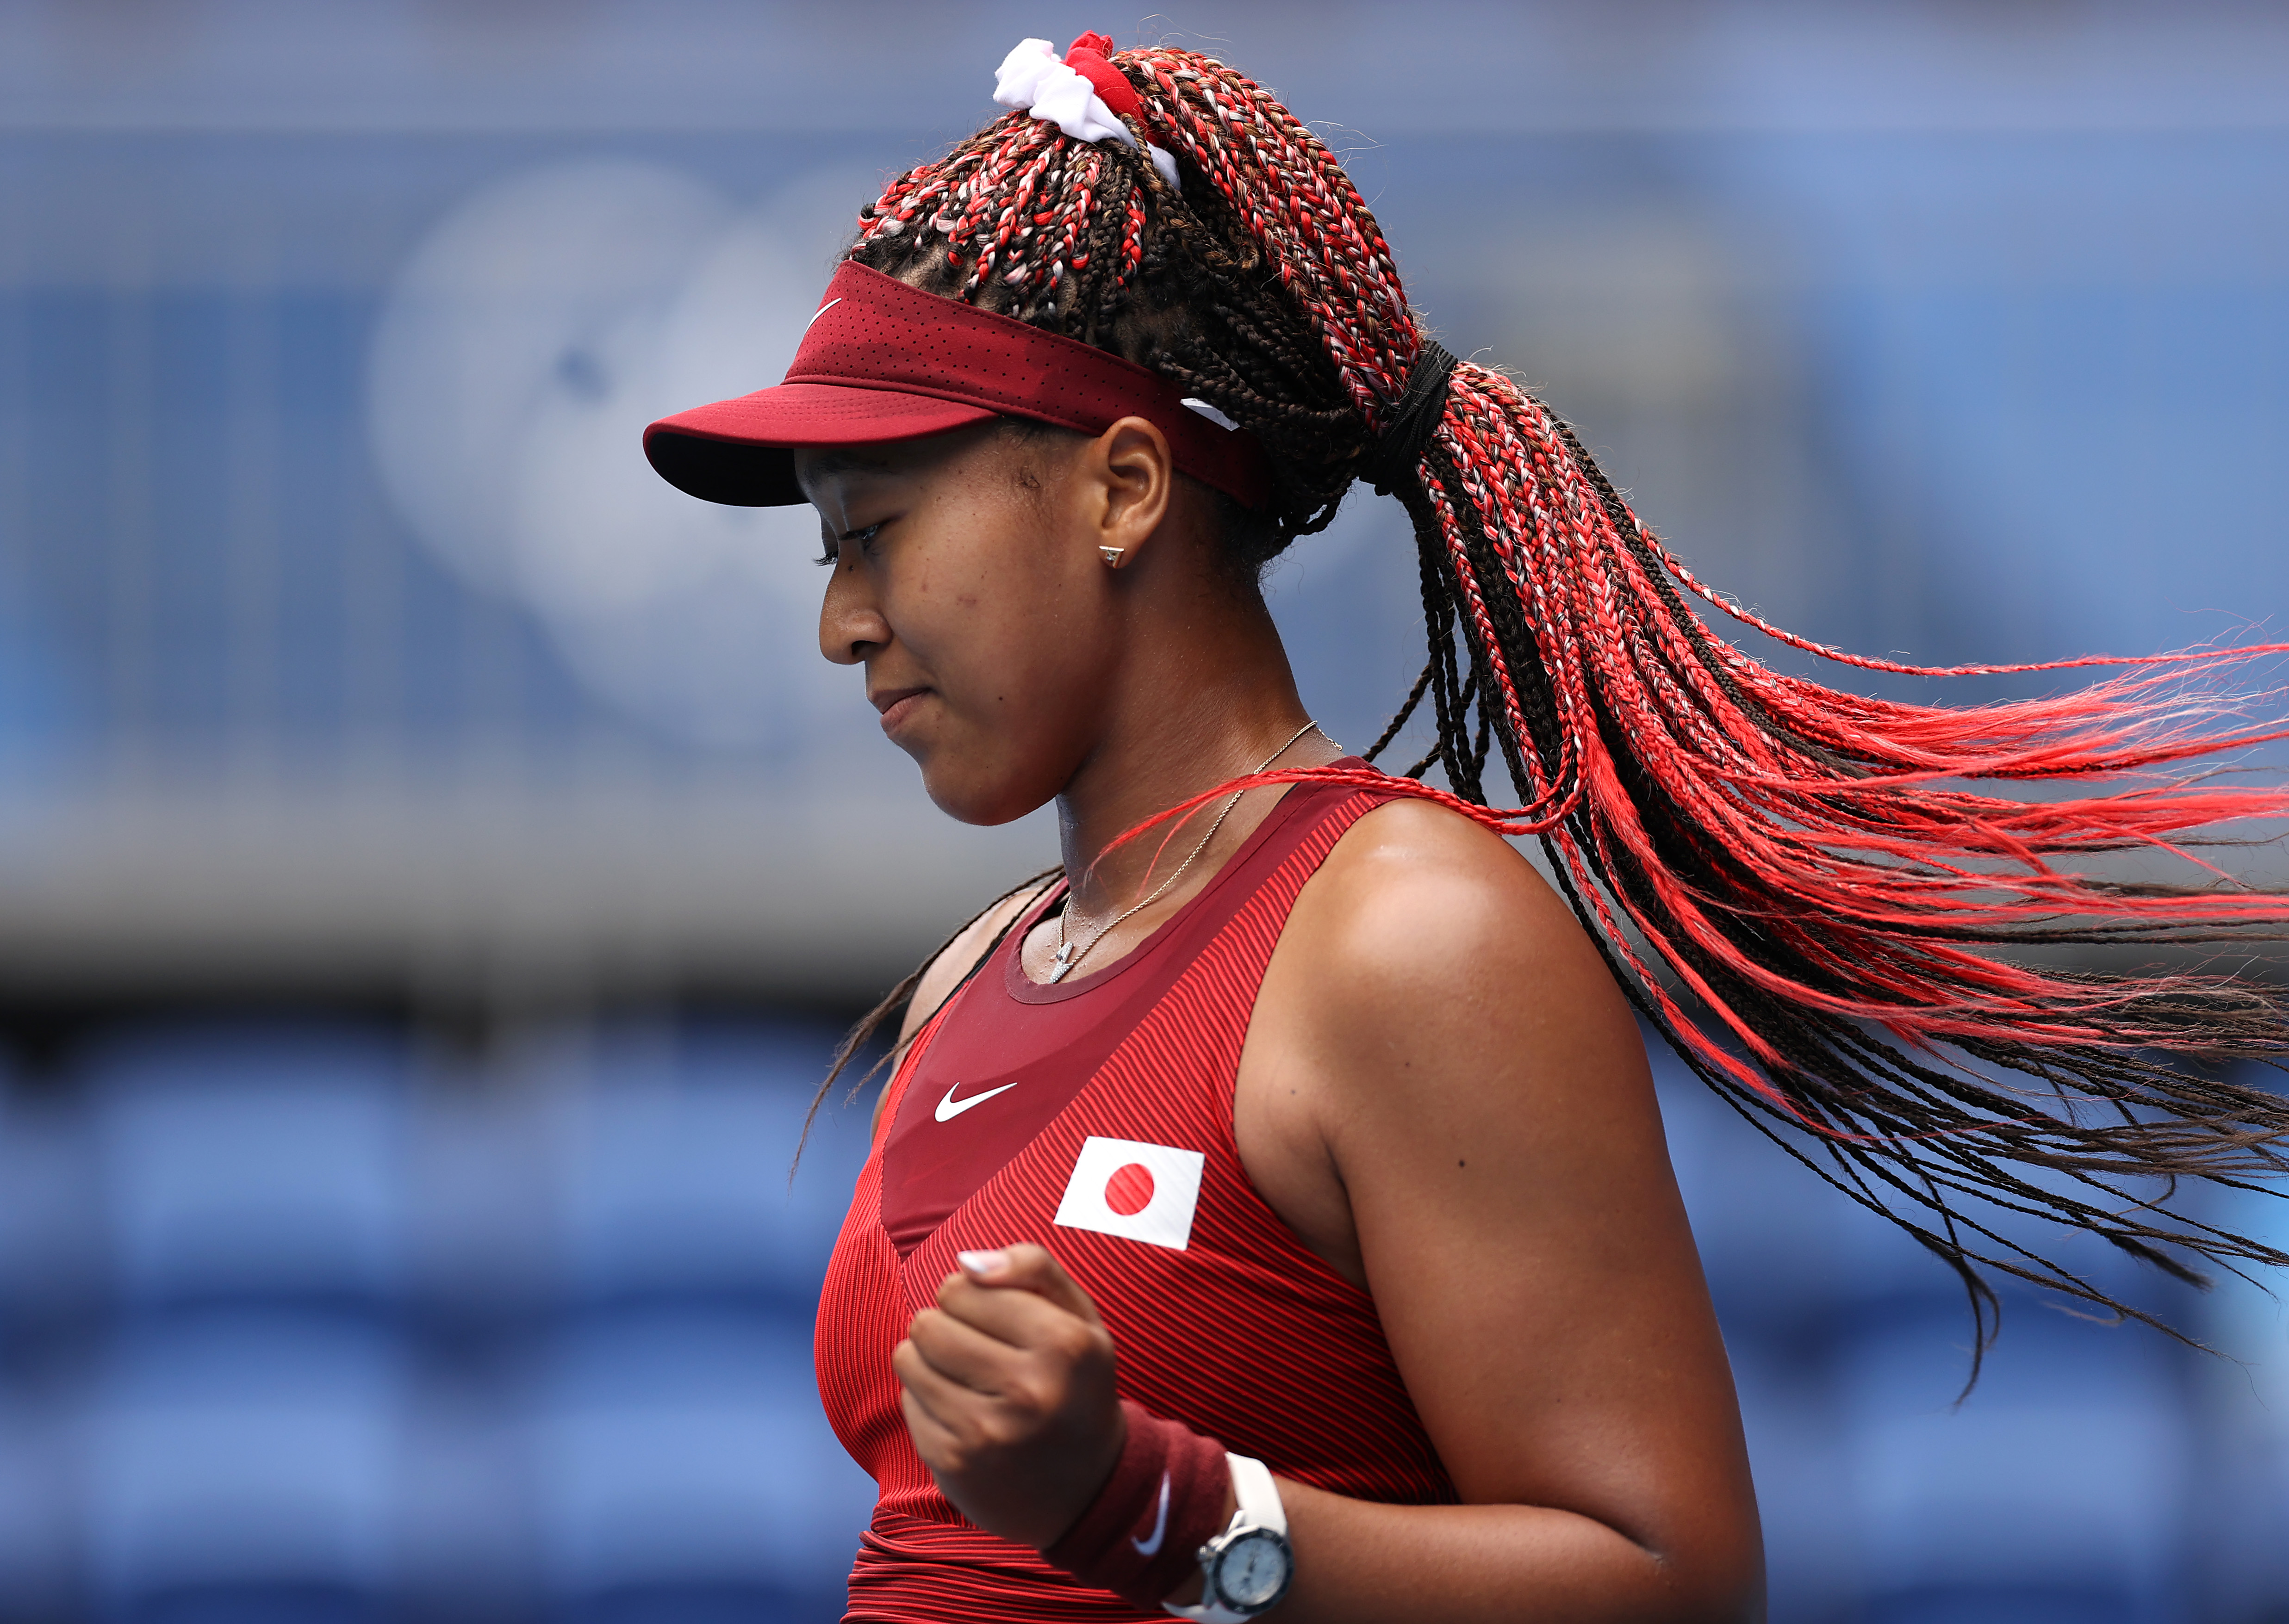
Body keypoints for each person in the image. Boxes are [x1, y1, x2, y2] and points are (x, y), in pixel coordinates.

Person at [641, 34, 2289, 1624]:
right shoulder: (971, 978)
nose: (841, 622)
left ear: (1124, 489)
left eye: (877, 534)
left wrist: (1156, 1511)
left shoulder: (1408, 939)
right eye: (825, 559)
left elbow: (1673, 1585)